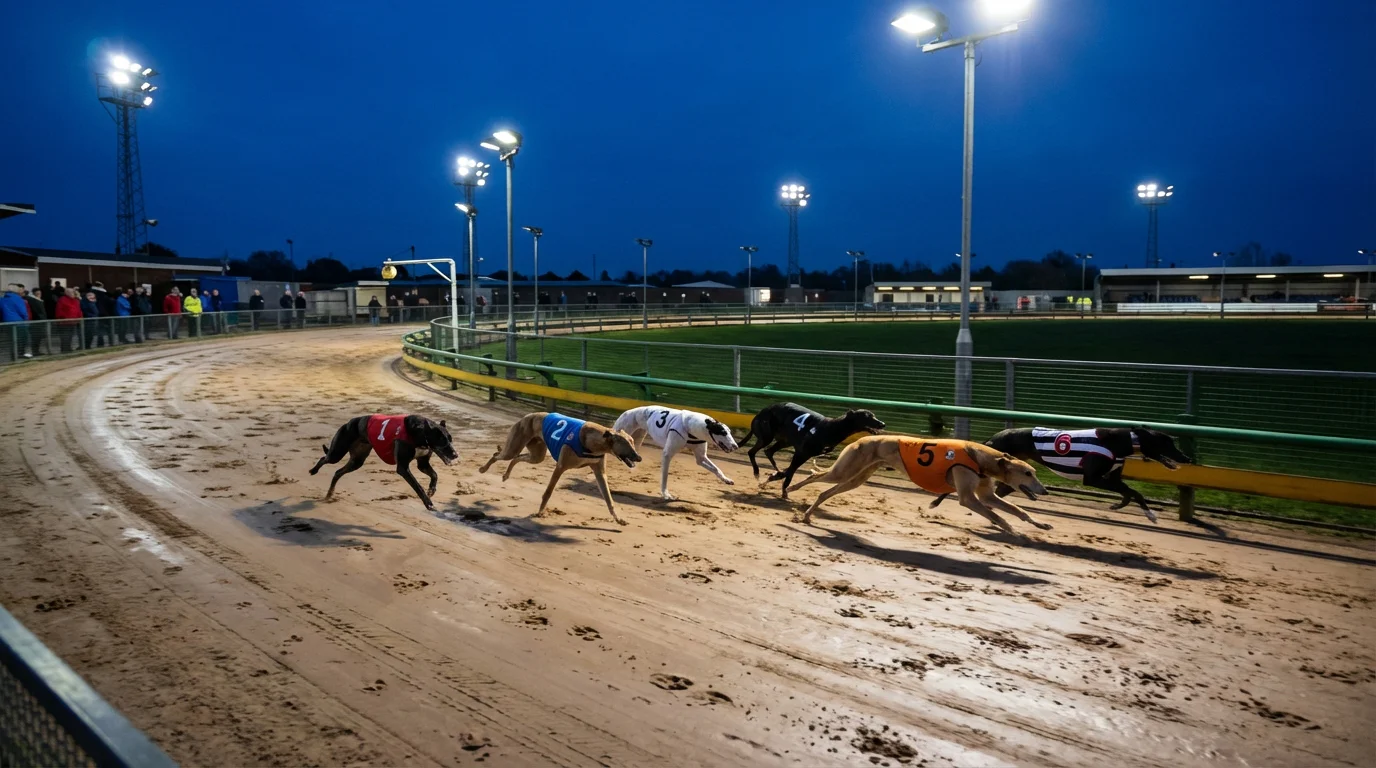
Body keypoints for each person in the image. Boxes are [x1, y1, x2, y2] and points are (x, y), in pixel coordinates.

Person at [2, 284, 31, 359]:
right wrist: (26, 319)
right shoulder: (18, 299)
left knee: (12, 340)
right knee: (22, 339)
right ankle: (20, 354)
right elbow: (23, 311)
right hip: (19, 322)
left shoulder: (2, 299)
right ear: (16, 291)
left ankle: (13, 355)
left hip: (7, 322)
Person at [55, 287, 82, 352]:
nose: (73, 293)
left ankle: (68, 348)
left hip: (73, 322)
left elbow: (78, 310)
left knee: (70, 336)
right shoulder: (62, 299)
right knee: (65, 337)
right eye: (71, 292)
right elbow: (59, 310)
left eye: (73, 292)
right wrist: (62, 318)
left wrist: (80, 317)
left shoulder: (76, 300)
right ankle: (65, 350)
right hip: (65, 322)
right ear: (67, 293)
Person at [22, 287, 46, 356]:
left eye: (40, 293)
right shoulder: (33, 300)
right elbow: (37, 312)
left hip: (39, 321)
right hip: (36, 322)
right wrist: (42, 318)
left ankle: (36, 351)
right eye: (38, 293)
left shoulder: (38, 300)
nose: (39, 294)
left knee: (38, 338)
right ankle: (35, 351)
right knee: (35, 337)